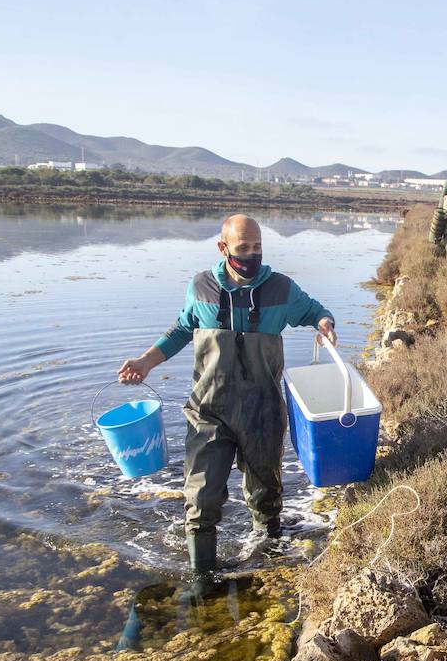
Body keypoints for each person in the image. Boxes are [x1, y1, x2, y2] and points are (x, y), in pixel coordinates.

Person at [118, 214, 337, 573]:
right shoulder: (201, 287)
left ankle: (267, 568)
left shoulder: (281, 289)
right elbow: (181, 329)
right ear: (223, 248)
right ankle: (201, 582)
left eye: (258, 248)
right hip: (208, 411)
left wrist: (325, 324)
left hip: (262, 412)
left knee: (265, 497)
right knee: (200, 500)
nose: (252, 255)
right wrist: (146, 362)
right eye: (243, 248)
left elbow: (315, 311)